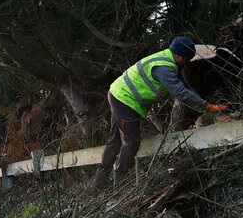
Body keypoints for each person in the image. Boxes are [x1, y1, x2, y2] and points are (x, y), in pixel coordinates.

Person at [91, 36, 227, 188]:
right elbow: (181, 93)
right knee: (132, 141)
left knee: (115, 139)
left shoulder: (170, 61)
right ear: (178, 55)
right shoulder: (164, 68)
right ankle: (120, 181)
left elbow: (186, 87)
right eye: (187, 59)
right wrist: (205, 107)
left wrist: (205, 104)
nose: (189, 63)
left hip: (119, 94)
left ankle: (100, 181)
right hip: (125, 99)